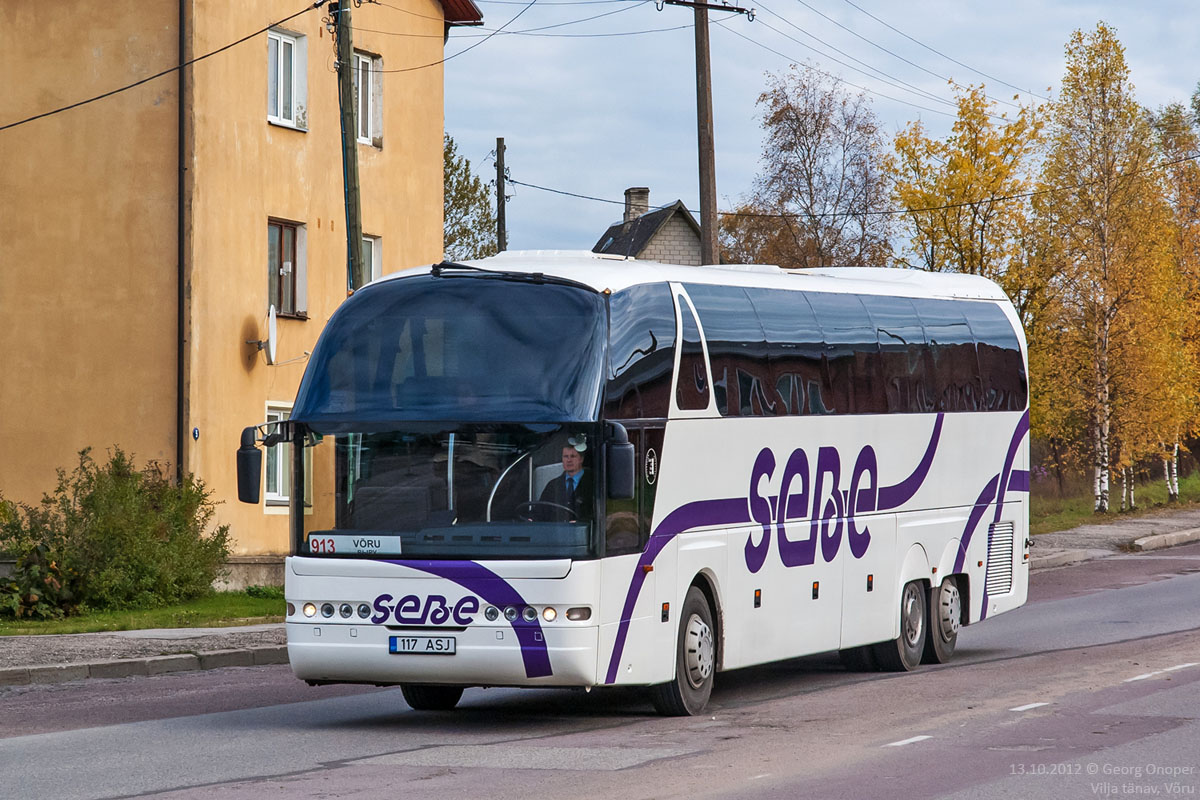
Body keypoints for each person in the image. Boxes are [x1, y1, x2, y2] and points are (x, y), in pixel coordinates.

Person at [538, 434, 593, 521]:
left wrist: (580, 522)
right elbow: (539, 511)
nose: (569, 460)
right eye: (565, 456)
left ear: (581, 459)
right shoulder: (552, 485)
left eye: (573, 456)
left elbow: (599, 515)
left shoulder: (594, 484)